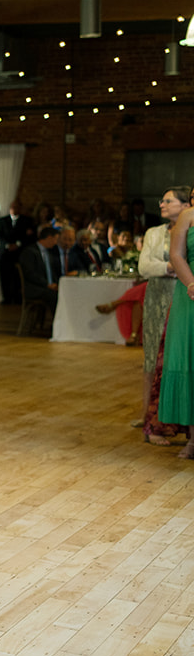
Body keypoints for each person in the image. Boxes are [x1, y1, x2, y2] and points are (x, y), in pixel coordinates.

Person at [138, 187, 191, 446]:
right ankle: (149, 418)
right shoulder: (154, 233)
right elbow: (144, 266)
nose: (162, 204)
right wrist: (171, 267)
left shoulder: (188, 225)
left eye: (168, 201)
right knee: (153, 361)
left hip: (181, 296)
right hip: (160, 299)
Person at [160, 204, 194, 459]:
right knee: (189, 360)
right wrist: (191, 282)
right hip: (191, 293)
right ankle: (193, 439)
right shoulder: (188, 216)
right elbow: (177, 254)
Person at [18, 225, 64, 334]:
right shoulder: (30, 252)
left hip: (45, 286)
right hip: (34, 288)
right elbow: (30, 274)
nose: (56, 243)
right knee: (54, 296)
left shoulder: (49, 253)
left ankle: (61, 324)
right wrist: (47, 284)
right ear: (49, 237)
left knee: (63, 293)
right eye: (55, 239)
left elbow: (51, 273)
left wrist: (56, 283)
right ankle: (58, 327)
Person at [0, 201, 34, 304]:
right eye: (12, 207)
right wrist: (8, 245)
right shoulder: (2, 221)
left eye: (17, 207)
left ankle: (17, 298)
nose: (14, 209)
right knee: (4, 276)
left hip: (19, 253)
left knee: (18, 277)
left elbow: (28, 237)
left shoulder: (27, 221)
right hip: (5, 253)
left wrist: (17, 244)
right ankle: (6, 298)